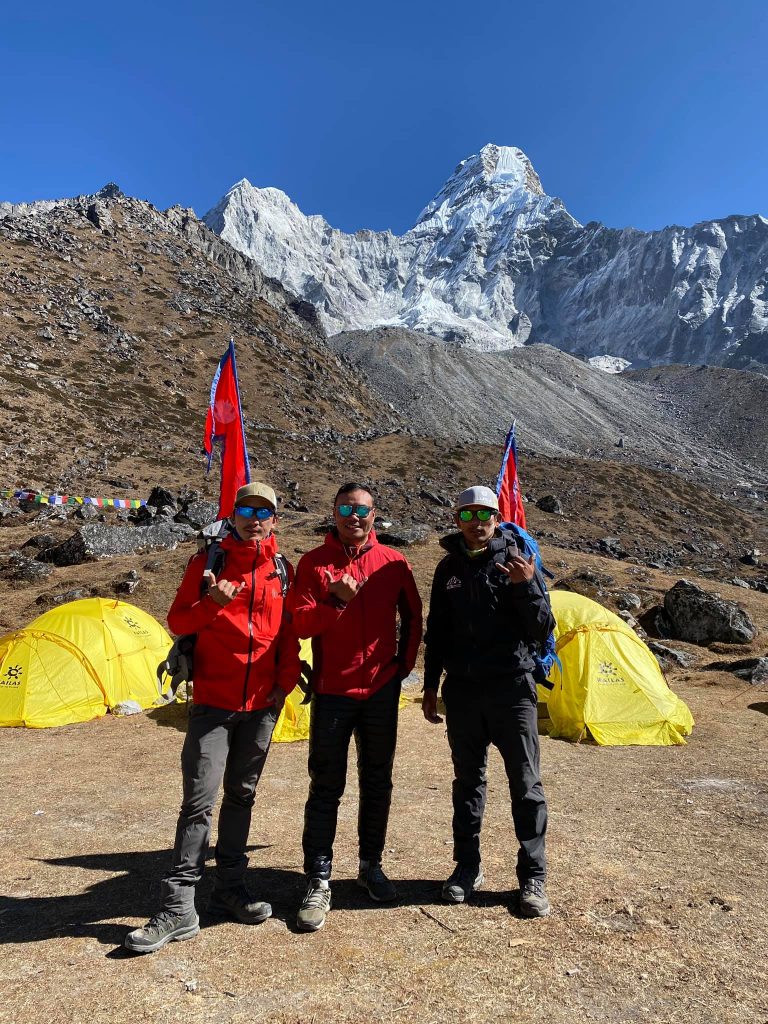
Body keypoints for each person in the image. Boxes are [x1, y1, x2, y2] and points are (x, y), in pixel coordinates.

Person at [125, 482, 300, 953]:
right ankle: (178, 906)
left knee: (242, 796)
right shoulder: (207, 564)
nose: (255, 519)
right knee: (199, 802)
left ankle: (230, 888)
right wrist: (212, 604)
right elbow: (179, 621)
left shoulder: (281, 569)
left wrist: (282, 686)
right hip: (213, 706)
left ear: (275, 520)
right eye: (246, 509)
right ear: (234, 515)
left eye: (264, 512)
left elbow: (287, 634)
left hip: (262, 706)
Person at [291, 482, 422, 932]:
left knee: (377, 781)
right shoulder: (313, 563)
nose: (354, 516)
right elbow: (301, 624)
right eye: (346, 508)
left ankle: (371, 865)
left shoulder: (393, 561)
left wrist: (403, 665)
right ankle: (318, 876)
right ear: (334, 512)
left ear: (374, 515)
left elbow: (413, 614)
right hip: (332, 692)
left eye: (362, 510)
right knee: (326, 785)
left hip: (381, 690)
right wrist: (335, 600)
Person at [422, 485, 555, 918]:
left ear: (497, 519)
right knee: (468, 784)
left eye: (484, 515)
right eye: (467, 515)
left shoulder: (519, 560)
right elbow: (437, 632)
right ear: (456, 519)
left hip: (512, 690)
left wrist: (524, 586)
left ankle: (532, 877)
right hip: (462, 692)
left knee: (526, 785)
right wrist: (429, 687)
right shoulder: (447, 569)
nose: (476, 523)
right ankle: (466, 868)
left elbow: (541, 628)